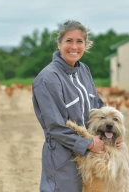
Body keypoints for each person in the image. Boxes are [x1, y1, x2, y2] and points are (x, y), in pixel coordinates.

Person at [32, 20, 106, 192]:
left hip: (90, 156)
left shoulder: (84, 71)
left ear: (86, 45)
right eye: (69, 41)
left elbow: (98, 106)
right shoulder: (47, 79)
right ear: (59, 44)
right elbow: (55, 127)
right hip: (63, 159)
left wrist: (112, 134)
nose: (74, 47)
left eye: (79, 41)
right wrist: (87, 144)